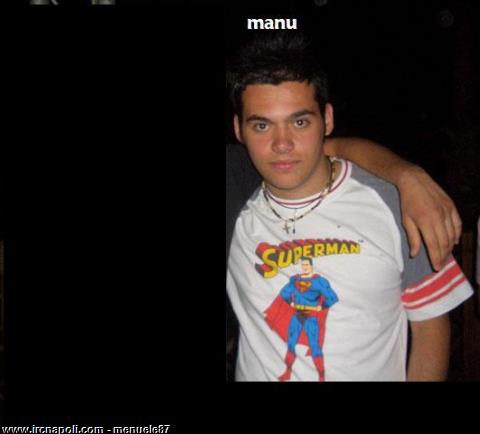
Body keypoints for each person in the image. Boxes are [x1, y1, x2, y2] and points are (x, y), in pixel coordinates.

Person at [226, 32, 473, 381]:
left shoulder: (393, 202)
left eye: (300, 122)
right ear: (239, 129)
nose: (282, 144)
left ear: (327, 119)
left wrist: (407, 176)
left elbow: (431, 329)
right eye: (262, 125)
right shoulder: (235, 189)